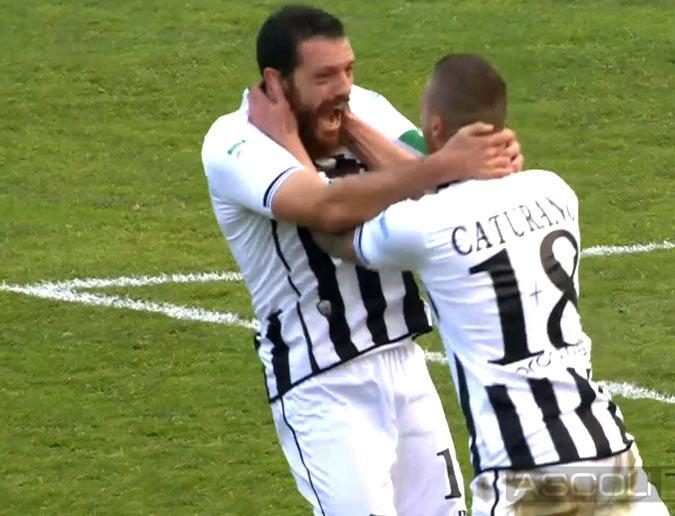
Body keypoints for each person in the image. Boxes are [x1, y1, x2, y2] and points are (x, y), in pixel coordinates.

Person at [201, 6, 522, 516]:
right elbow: (325, 208)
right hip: (323, 384)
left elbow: (455, 190)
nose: (343, 87)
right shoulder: (235, 143)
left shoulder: (364, 109)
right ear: (276, 81)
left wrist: (352, 129)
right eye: (324, 76)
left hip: (404, 363)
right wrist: (441, 165)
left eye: (348, 70)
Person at [315, 54, 670, 516]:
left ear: (436, 129)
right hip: (609, 450)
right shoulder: (555, 190)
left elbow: (332, 230)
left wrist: (312, 150)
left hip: (522, 470)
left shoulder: (421, 225)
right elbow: (458, 195)